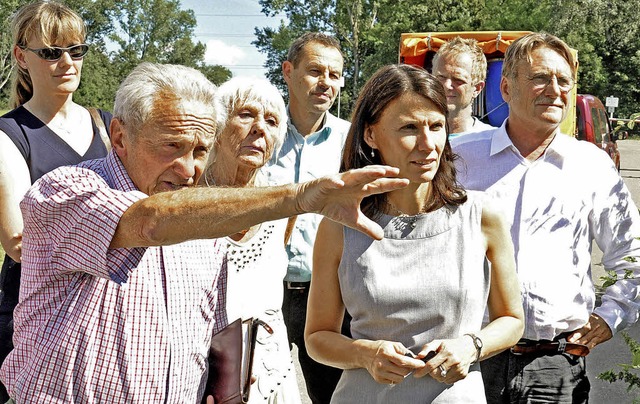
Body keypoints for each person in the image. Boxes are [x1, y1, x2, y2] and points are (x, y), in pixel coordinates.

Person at [0, 61, 408, 403]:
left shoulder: (208, 223)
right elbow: (150, 222)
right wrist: (300, 197)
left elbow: (210, 334)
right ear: (121, 137)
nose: (189, 168)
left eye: (199, 151)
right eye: (171, 147)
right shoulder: (65, 192)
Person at [305, 64, 524, 403]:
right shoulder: (341, 224)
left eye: (436, 127)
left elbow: (511, 320)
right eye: (409, 128)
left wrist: (471, 346)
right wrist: (365, 353)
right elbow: (318, 337)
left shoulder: (482, 216)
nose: (427, 144)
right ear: (371, 135)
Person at [451, 32, 640, 403]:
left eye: (564, 80)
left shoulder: (591, 166)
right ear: (506, 89)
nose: (554, 89)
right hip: (468, 360)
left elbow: (632, 256)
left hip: (554, 367)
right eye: (539, 77)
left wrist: (612, 314)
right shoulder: (458, 159)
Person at [0, 2, 110, 401]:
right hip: (40, 318)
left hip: (107, 311)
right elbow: (17, 243)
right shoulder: (10, 134)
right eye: (50, 52)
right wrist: (112, 238)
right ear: (21, 57)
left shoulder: (109, 124)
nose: (67, 62)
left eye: (75, 50)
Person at [201, 76, 301, 403]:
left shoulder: (283, 203)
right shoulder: (187, 202)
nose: (260, 128)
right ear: (217, 124)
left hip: (272, 381)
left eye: (271, 121)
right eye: (246, 115)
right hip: (204, 379)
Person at [266, 32, 351, 403]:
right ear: (288, 71)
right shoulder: (259, 135)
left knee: (333, 397)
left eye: (334, 75)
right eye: (315, 71)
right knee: (253, 391)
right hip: (264, 291)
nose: (325, 83)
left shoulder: (353, 143)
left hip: (330, 294)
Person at [431, 36, 493, 138]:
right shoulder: (416, 139)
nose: (447, 85)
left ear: (477, 88)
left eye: (458, 80)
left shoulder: (491, 141)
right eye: (441, 77)